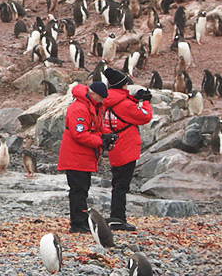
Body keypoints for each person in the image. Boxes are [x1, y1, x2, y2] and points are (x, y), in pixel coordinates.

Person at [100, 67, 154, 232]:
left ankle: (117, 216)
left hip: (115, 147)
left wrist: (135, 98)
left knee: (118, 182)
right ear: (121, 85)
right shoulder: (123, 104)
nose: (127, 86)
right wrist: (145, 102)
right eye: (125, 84)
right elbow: (144, 116)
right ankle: (118, 218)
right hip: (126, 147)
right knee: (122, 185)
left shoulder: (107, 101)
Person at [56, 81, 108, 233]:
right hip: (75, 157)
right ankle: (77, 223)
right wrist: (101, 141)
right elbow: (79, 134)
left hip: (83, 157)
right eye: (101, 97)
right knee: (78, 190)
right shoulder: (78, 108)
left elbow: (96, 126)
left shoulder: (92, 106)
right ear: (93, 94)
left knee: (83, 189)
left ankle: (82, 221)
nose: (102, 101)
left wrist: (107, 135)